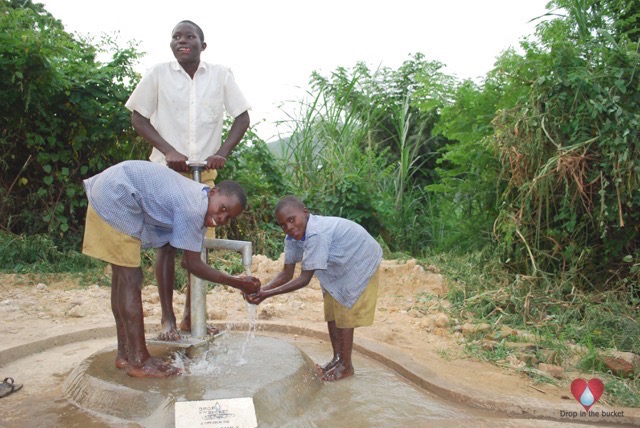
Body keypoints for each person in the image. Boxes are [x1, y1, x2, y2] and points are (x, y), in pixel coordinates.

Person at [125, 20, 251, 340]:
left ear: (202, 45)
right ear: (171, 44)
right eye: (176, 36)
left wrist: (222, 151)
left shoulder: (221, 75)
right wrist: (168, 150)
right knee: (166, 246)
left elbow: (242, 116)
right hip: (166, 173)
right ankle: (167, 319)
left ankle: (191, 316)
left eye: (190, 36)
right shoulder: (158, 74)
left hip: (203, 176)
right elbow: (138, 117)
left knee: (198, 248)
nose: (183, 41)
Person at [82, 160, 260, 378]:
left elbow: (187, 258)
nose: (222, 217)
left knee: (122, 278)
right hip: (117, 193)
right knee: (130, 277)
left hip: (111, 187)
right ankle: (140, 361)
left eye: (228, 217)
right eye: (223, 208)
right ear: (213, 192)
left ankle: (125, 355)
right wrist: (238, 282)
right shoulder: (194, 206)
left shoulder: (198, 200)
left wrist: (235, 281)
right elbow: (191, 263)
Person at [247, 196, 382, 381]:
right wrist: (261, 289)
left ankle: (346, 365)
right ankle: (337, 358)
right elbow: (286, 274)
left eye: (292, 219)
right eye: (283, 225)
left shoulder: (316, 233)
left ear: (305, 212)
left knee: (344, 310)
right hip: (338, 263)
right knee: (332, 311)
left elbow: (304, 279)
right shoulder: (293, 238)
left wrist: (265, 294)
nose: (289, 227)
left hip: (360, 258)